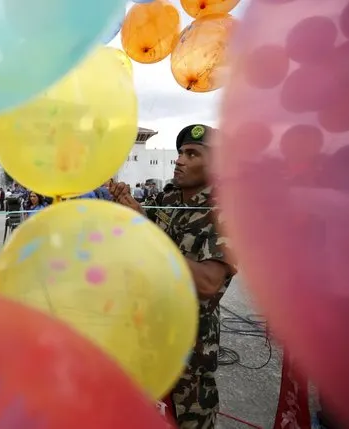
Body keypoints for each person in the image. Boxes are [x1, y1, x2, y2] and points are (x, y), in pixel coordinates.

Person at [110, 124, 236, 429]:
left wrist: (148, 233)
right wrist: (131, 210)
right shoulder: (169, 197)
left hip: (189, 348)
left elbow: (208, 283)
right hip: (147, 331)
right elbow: (142, 235)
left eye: (192, 154)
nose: (180, 159)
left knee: (186, 418)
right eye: (180, 152)